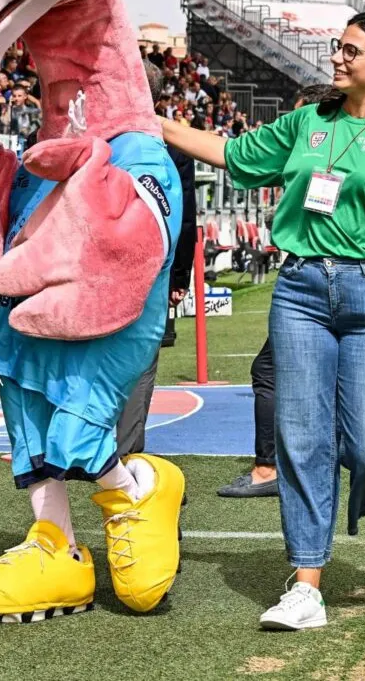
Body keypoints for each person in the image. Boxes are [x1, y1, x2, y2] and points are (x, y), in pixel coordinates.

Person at [162, 12, 365, 630]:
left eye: (352, 50)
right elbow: (231, 153)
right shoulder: (307, 122)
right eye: (338, 46)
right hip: (299, 291)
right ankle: (305, 583)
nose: (338, 57)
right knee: (302, 439)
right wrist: (157, 123)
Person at [217, 83, 340, 501]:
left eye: (298, 118)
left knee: (268, 372)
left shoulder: (319, 159)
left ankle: (267, 467)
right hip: (349, 280)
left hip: (314, 280)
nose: (290, 128)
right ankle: (332, 458)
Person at [113, 61, 199, 458]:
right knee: (140, 360)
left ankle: (74, 446)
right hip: (150, 269)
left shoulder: (93, 129)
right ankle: (126, 453)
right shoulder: (171, 143)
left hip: (97, 263)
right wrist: (179, 277)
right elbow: (184, 217)